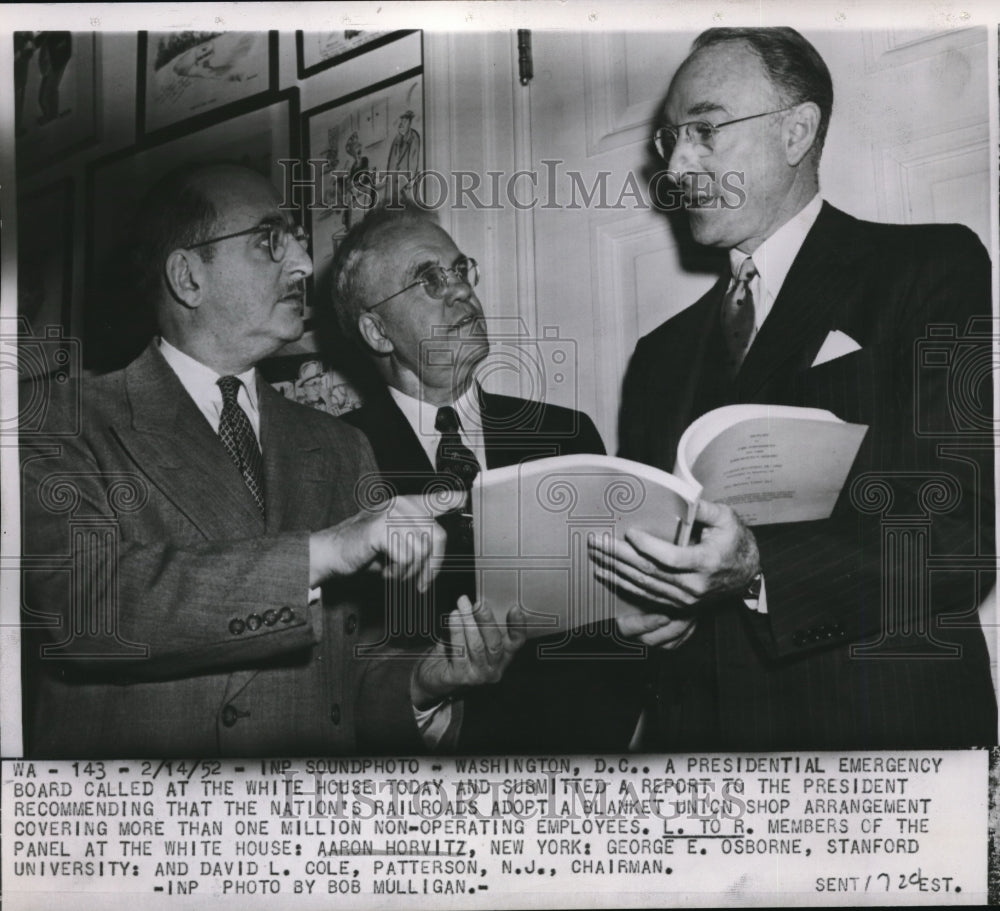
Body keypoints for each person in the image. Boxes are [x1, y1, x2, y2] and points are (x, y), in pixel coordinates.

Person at [19, 163, 526, 758]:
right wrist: (323, 551)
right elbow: (87, 610)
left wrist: (424, 683)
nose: (305, 265)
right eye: (270, 240)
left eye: (298, 242)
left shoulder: (339, 446)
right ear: (188, 277)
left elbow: (353, 675)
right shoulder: (58, 423)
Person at [590, 27, 996, 750]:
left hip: (881, 745)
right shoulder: (659, 357)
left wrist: (758, 570)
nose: (679, 165)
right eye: (670, 140)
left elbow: (961, 534)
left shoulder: (929, 270)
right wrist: (653, 612)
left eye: (706, 130)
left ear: (796, 131)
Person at [330, 205, 643, 753]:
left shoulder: (565, 436)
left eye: (460, 270)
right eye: (428, 279)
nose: (461, 293)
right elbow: (341, 671)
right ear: (378, 331)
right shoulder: (332, 459)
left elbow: (612, 620)